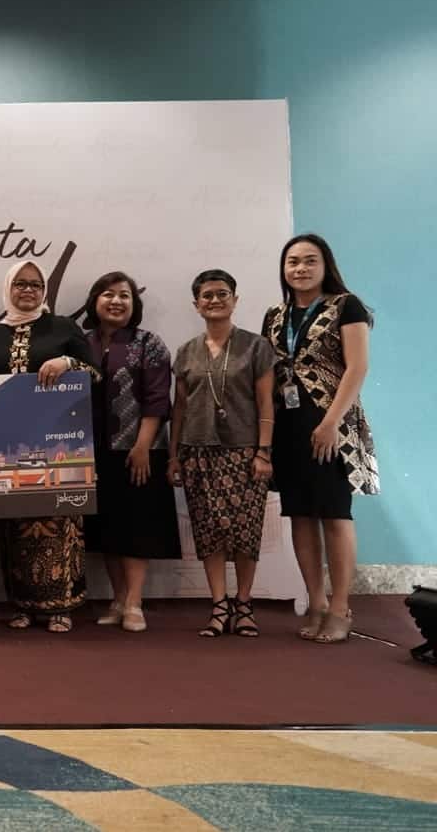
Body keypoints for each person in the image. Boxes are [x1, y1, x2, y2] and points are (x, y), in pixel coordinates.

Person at [261, 235, 376, 644]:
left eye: (310, 261)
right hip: (289, 426)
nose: (301, 269)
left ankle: (341, 606)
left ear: (326, 265)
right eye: (293, 261)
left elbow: (357, 367)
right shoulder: (275, 315)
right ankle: (316, 602)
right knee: (301, 515)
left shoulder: (346, 305)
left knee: (334, 513)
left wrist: (330, 423)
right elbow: (269, 375)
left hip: (332, 425)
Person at [0, 260, 98, 632]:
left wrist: (68, 361)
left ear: (44, 290)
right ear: (8, 288)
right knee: (13, 522)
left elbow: (95, 374)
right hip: (6, 448)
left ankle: (63, 604)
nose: (27, 290)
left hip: (60, 446)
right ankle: (22, 603)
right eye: (20, 284)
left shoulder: (64, 328)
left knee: (59, 520)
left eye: (35, 284)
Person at [169, 269, 276, 638]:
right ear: (196, 304)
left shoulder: (256, 347)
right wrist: (173, 455)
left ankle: (243, 605)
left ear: (235, 299)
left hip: (243, 451)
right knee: (208, 532)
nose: (215, 300)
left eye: (222, 293)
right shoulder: (186, 351)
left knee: (245, 532)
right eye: (207, 295)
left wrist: (264, 452)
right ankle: (218, 605)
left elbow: (266, 402)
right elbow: (179, 408)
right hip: (197, 452)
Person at [82, 272, 181, 633]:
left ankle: (135, 602)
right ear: (95, 301)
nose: (116, 301)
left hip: (140, 450)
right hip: (93, 452)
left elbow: (158, 399)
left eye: (124, 295)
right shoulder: (82, 344)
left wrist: (142, 446)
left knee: (137, 526)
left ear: (134, 304)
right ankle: (118, 599)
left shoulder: (148, 343)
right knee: (108, 527)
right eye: (108, 294)